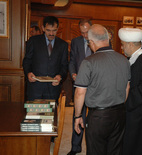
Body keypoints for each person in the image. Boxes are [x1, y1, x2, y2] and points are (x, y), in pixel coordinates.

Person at [74, 24, 130, 155]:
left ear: (91, 42)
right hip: (120, 113)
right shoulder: (124, 60)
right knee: (115, 150)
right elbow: (127, 87)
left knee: (96, 150)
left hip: (99, 116)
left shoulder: (88, 62)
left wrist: (77, 116)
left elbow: (80, 92)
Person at [118, 28, 142, 155]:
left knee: (140, 143)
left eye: (123, 45)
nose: (122, 48)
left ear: (130, 44)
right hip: (136, 108)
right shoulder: (138, 57)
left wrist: (127, 99)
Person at [23, 16, 68, 101]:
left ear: (57, 29)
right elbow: (27, 61)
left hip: (53, 88)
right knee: (34, 113)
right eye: (48, 30)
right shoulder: (33, 41)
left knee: (51, 113)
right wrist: (28, 73)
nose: (51, 33)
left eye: (54, 30)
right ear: (43, 28)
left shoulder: (63, 45)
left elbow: (64, 65)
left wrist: (60, 76)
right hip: (35, 87)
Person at [67, 19, 92, 155]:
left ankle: (92, 148)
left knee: (93, 119)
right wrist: (73, 73)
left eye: (87, 32)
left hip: (95, 86)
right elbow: (71, 61)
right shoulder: (76, 41)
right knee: (78, 116)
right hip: (80, 84)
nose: (85, 35)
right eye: (82, 32)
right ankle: (75, 147)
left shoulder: (99, 40)